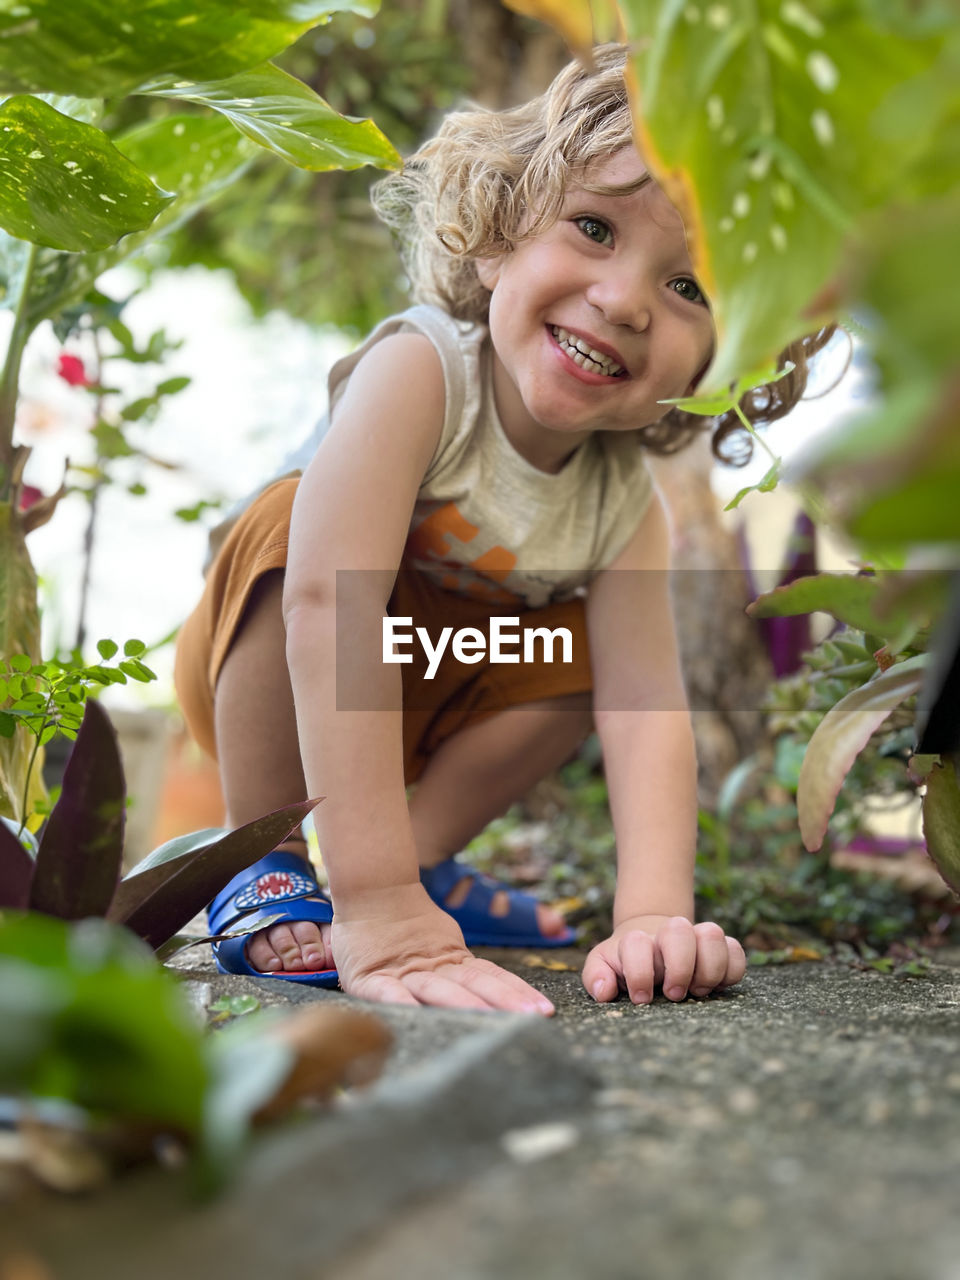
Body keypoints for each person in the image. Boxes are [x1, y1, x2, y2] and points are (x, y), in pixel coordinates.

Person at [174, 44, 834, 1014]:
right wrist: (374, 903)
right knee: (291, 530)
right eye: (594, 226)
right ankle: (274, 859)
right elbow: (331, 603)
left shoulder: (623, 499)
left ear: (721, 363)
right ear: (496, 236)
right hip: (277, 666)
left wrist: (654, 912)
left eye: (690, 288)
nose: (623, 300)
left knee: (594, 658)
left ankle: (420, 853)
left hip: (424, 691)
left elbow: (647, 710)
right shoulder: (424, 374)